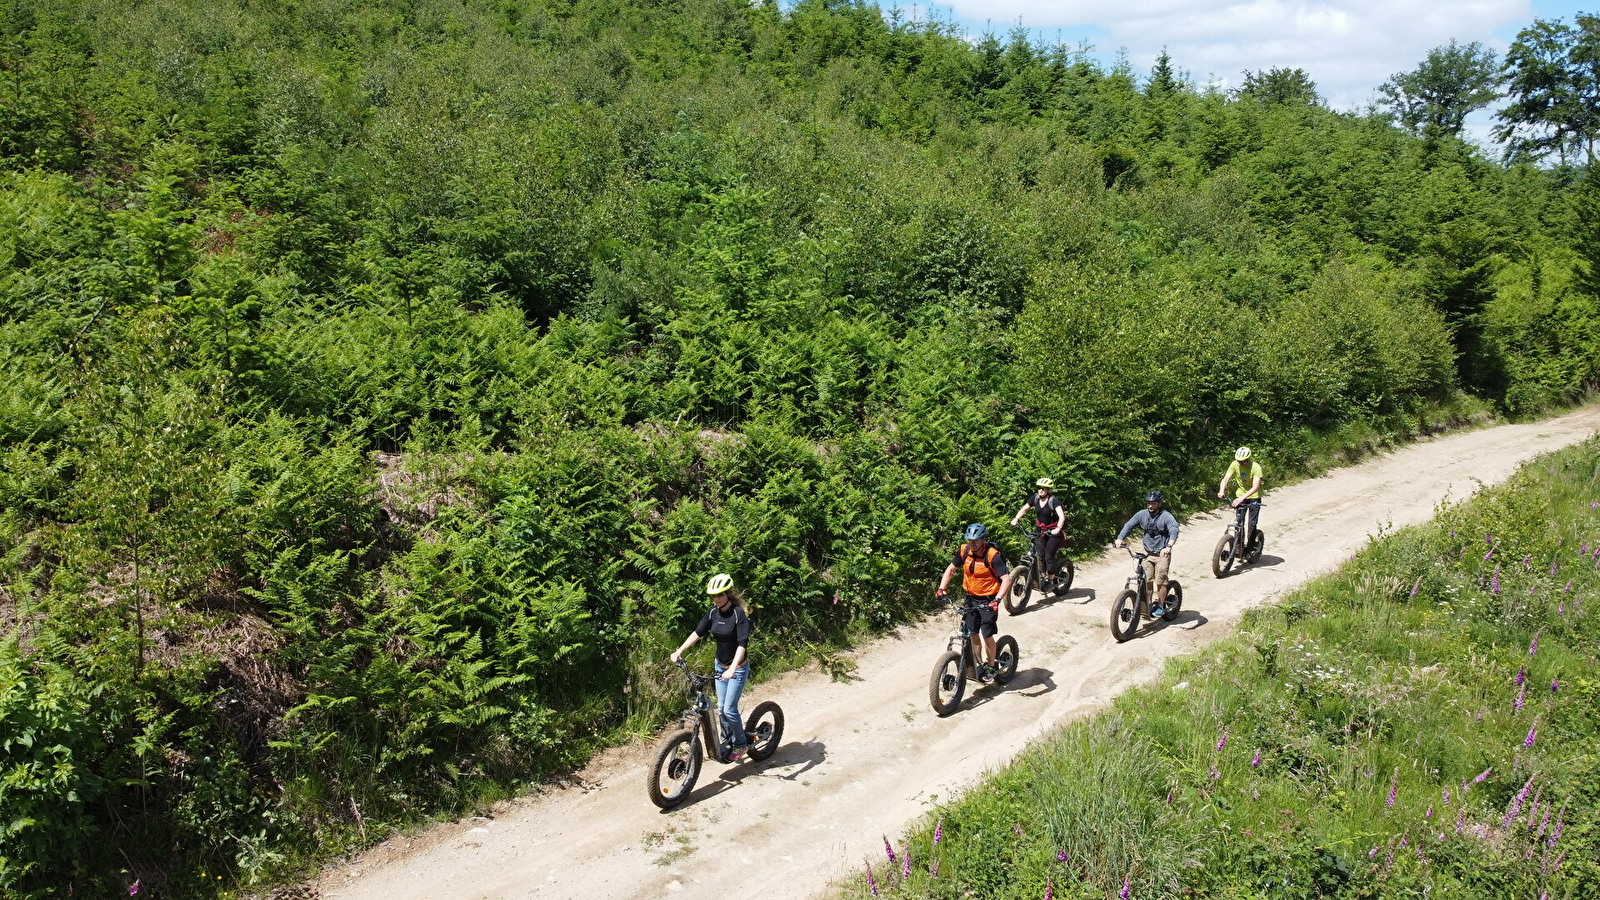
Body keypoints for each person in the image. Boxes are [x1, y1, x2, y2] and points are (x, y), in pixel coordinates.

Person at [669, 573, 754, 759]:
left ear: (728, 594)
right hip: (719, 666)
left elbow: (742, 644)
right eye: (713, 596)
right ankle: (727, 738)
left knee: (729, 708)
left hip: (737, 668)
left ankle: (741, 744)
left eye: (720, 595)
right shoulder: (713, 613)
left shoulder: (738, 615)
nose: (716, 599)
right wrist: (679, 650)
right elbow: (698, 632)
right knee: (721, 707)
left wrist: (732, 668)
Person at [934, 523, 1015, 683]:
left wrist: (997, 600)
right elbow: (951, 568)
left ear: (983, 539)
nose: (973, 543)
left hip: (989, 600)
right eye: (970, 540)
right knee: (972, 633)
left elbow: (1006, 580)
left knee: (987, 635)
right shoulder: (964, 550)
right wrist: (942, 588)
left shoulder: (993, 556)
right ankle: (978, 663)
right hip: (970, 598)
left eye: (977, 540)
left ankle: (991, 666)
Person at [1114, 491, 1180, 617]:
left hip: (1162, 554)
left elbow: (1174, 529)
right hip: (1147, 553)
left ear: (1159, 504)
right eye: (1149, 503)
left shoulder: (1166, 516)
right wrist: (1120, 538)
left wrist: (1169, 546)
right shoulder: (1142, 514)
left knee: (1161, 580)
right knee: (1146, 580)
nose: (1150, 506)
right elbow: (1129, 525)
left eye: (1153, 504)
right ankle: (1148, 605)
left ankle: (1160, 606)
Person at [1011, 477, 1066, 593]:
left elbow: (1061, 517)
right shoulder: (1035, 499)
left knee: (1048, 556)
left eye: (1044, 488)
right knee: (1039, 555)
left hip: (1053, 532)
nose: (1041, 490)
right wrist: (1016, 518)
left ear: (1048, 490)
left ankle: (1050, 581)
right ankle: (1042, 577)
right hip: (1040, 530)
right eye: (1039, 488)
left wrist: (1058, 528)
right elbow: (1024, 509)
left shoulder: (1053, 501)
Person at [1216, 447, 1264, 547]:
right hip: (1240, 496)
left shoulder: (1256, 467)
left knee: (1252, 525)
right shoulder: (1234, 464)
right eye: (1239, 461)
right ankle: (1238, 547)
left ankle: (1251, 547)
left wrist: (1242, 498)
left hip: (1254, 497)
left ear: (1248, 459)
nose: (1241, 463)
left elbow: (1256, 486)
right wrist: (1221, 491)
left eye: (1244, 461)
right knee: (1239, 523)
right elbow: (1225, 479)